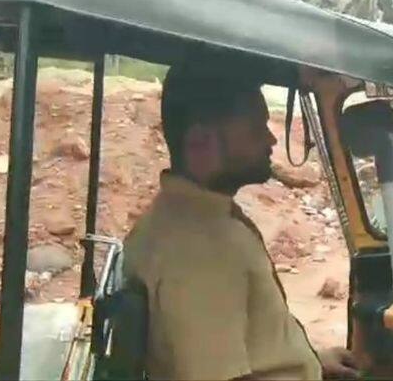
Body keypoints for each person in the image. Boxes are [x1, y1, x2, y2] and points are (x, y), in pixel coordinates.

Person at [124, 64, 360, 380]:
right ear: (201, 142)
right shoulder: (200, 251)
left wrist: (311, 361)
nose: (270, 139)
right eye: (254, 129)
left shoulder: (185, 221)